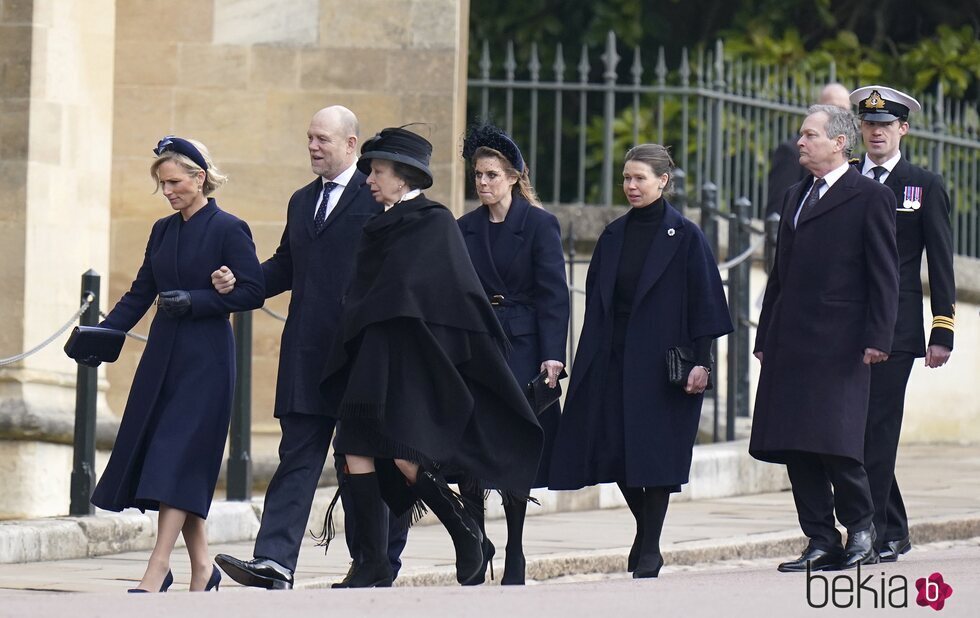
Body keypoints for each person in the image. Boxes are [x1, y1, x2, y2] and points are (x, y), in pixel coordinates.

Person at [318, 126, 544, 588]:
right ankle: (370, 562)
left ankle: (466, 535)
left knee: (404, 456)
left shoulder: (435, 221)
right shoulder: (376, 225)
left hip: (413, 363)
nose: (368, 180)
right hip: (372, 357)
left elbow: (452, 296)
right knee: (352, 448)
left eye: (377, 171)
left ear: (402, 177)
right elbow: (362, 291)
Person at [211, 107, 409, 590]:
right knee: (296, 457)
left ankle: (374, 562)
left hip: (361, 355)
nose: (313, 147)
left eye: (322, 139)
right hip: (306, 353)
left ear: (351, 144)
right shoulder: (301, 200)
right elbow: (285, 265)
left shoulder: (377, 198)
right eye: (309, 139)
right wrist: (242, 279)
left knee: (364, 461)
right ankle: (275, 562)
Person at [549, 144, 732, 579]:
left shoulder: (686, 236)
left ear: (663, 181)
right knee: (613, 451)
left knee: (657, 457)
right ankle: (646, 533)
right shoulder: (612, 234)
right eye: (626, 179)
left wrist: (702, 362)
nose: (631, 186)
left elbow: (707, 304)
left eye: (640, 179)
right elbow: (596, 303)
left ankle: (648, 546)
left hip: (665, 366)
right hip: (612, 360)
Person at [91, 136, 265, 592]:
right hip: (162, 357)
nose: (167, 191)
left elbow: (253, 291)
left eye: (174, 182)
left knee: (175, 456)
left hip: (206, 360)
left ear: (199, 177)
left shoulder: (230, 228)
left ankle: (157, 567)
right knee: (175, 460)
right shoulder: (162, 231)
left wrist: (199, 300)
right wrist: (104, 332)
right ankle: (204, 568)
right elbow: (140, 292)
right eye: (162, 185)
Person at [750, 104, 899, 573]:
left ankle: (861, 532)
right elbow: (781, 273)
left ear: (839, 142)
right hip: (791, 341)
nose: (800, 142)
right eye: (801, 135)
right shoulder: (796, 194)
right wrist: (766, 333)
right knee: (796, 441)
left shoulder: (868, 196)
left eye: (809, 135)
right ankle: (819, 538)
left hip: (842, 342)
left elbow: (884, 276)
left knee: (836, 443)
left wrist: (879, 336)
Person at [456, 124, 569, 585]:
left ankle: (516, 549)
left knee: (515, 447)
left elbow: (554, 295)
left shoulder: (540, 224)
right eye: (478, 175)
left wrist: (552, 355)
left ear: (513, 177)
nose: (483, 183)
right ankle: (477, 541)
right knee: (471, 446)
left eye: (491, 175)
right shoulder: (464, 227)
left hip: (523, 346)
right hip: (479, 346)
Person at [849, 85, 956, 562]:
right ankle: (892, 528)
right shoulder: (848, 179)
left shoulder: (923, 185)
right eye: (869, 125)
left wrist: (943, 328)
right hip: (848, 326)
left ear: (903, 129)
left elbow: (941, 261)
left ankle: (869, 530)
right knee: (853, 430)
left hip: (897, 327)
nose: (876, 132)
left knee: (878, 428)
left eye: (885, 125)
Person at [766, 83, 852, 216]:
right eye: (832, 107)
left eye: (844, 110)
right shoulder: (792, 152)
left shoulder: (852, 159)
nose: (838, 114)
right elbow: (777, 213)